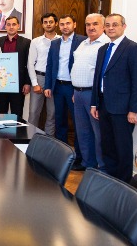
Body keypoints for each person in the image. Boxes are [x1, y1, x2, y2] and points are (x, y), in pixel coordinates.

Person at [90, 14, 137, 183]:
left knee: (122, 148)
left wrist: (134, 110)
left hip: (123, 108)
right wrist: (94, 103)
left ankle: (123, 184)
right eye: (107, 25)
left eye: (115, 24)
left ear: (124, 26)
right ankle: (111, 180)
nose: (111, 28)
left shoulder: (133, 48)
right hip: (104, 105)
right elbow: (98, 78)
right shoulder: (103, 49)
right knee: (107, 146)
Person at [44, 14, 87, 170]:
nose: (65, 26)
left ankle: (79, 157)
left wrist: (78, 89)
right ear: (59, 26)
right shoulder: (55, 43)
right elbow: (50, 65)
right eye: (62, 24)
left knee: (78, 123)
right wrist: (48, 86)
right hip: (58, 86)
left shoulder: (83, 41)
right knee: (60, 121)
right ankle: (62, 155)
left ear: (74, 24)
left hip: (74, 88)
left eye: (68, 23)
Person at [71, 13, 108, 170]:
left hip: (93, 94)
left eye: (95, 24)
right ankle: (88, 164)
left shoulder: (106, 44)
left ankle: (103, 168)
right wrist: (75, 90)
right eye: (88, 24)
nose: (91, 27)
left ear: (103, 26)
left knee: (99, 134)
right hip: (78, 93)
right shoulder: (83, 43)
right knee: (83, 132)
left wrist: (97, 98)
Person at [27, 13, 59, 134]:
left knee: (52, 113)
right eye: (45, 22)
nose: (48, 24)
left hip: (55, 80)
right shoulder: (36, 41)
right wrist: (34, 83)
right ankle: (30, 139)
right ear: (42, 25)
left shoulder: (61, 40)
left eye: (51, 22)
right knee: (33, 112)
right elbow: (30, 63)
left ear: (56, 23)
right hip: (39, 78)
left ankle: (49, 140)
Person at [0, 16, 31, 118]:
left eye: (14, 24)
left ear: (18, 26)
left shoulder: (26, 42)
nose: (11, 27)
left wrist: (27, 83)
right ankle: (1, 129)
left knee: (17, 113)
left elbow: (29, 64)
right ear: (5, 26)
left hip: (18, 83)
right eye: (8, 24)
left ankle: (17, 129)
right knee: (1, 113)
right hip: (1, 83)